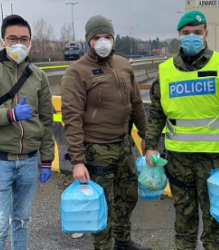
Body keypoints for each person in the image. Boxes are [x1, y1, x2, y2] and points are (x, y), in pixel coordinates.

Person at [144, 11, 219, 250]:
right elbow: (157, 113)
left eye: (197, 33)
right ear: (179, 35)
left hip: (215, 158)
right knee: (184, 216)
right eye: (187, 33)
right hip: (178, 158)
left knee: (214, 217)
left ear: (206, 34)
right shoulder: (165, 70)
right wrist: (150, 146)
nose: (192, 37)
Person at [0, 14, 54, 250]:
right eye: (12, 38)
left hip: (28, 162)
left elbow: (46, 120)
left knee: (22, 221)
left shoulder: (39, 76)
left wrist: (47, 160)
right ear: (2, 41)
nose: (19, 44)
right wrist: (10, 114)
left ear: (31, 42)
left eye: (24, 39)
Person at [61, 15, 150, 250]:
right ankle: (103, 246)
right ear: (88, 40)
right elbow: (71, 118)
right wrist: (78, 161)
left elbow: (137, 105)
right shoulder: (77, 72)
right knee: (102, 204)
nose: (102, 41)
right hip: (97, 149)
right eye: (96, 37)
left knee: (127, 197)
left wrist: (147, 138)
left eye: (107, 37)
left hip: (123, 145)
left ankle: (122, 241)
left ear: (113, 38)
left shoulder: (123, 65)